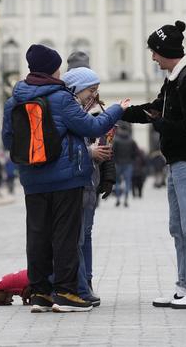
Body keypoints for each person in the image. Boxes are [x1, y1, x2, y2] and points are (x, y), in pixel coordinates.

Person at [2, 43, 129, 313]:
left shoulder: (14, 100)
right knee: (66, 237)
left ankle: (41, 295)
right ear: (52, 69)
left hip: (32, 179)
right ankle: (67, 293)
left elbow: (8, 139)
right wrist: (117, 109)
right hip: (66, 179)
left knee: (37, 237)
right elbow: (92, 125)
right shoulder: (61, 98)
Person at [122, 21, 186, 309]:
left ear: (165, 51)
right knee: (178, 227)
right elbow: (155, 110)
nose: (152, 58)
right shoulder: (175, 80)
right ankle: (185, 286)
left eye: (154, 52)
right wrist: (121, 112)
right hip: (178, 163)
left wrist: (163, 124)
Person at [62, 64, 117, 307]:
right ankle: (79, 286)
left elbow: (104, 144)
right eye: (90, 90)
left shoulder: (94, 109)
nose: (94, 95)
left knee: (85, 235)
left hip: (89, 181)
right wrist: (89, 152)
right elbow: (65, 147)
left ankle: (86, 282)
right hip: (76, 181)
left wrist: (108, 173)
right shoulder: (70, 109)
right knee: (77, 237)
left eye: (96, 90)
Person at [112, 124, 137, 207]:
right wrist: (131, 160)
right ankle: (126, 199)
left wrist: (114, 161)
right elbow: (135, 152)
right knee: (127, 182)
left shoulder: (116, 140)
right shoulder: (131, 140)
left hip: (118, 164)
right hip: (128, 163)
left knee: (118, 182)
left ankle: (118, 199)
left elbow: (113, 152)